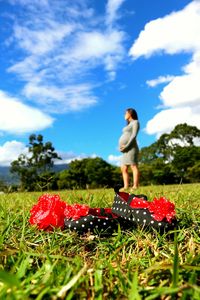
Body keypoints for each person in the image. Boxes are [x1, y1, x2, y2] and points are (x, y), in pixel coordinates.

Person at [118, 108, 140, 190]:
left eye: (125, 113)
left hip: (131, 148)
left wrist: (126, 146)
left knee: (133, 166)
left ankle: (135, 186)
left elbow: (134, 135)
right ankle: (126, 186)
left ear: (130, 113)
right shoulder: (128, 124)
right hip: (125, 150)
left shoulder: (135, 122)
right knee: (123, 168)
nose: (124, 115)